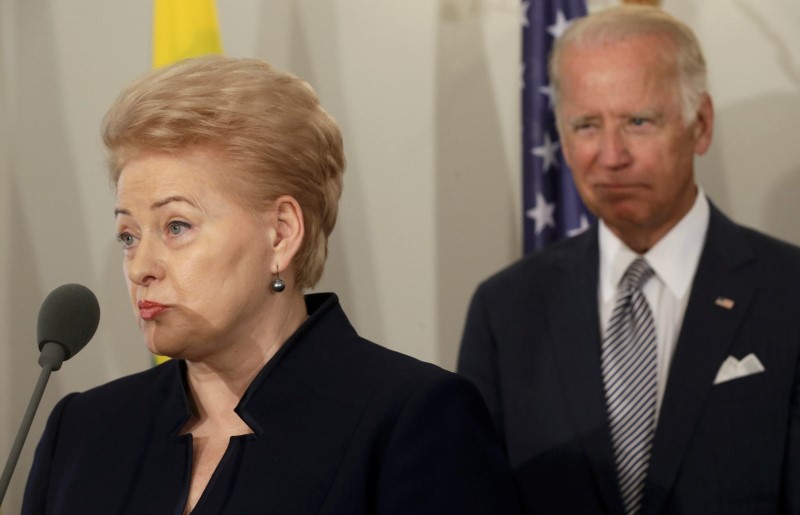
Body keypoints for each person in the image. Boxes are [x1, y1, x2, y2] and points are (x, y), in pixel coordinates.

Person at [22, 55, 519, 515]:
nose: (140, 267)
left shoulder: (413, 422)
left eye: (176, 227)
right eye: (128, 236)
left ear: (280, 233)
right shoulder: (85, 430)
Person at [458, 5, 800, 515]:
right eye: (587, 125)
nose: (611, 155)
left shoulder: (790, 293)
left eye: (638, 121)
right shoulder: (505, 310)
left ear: (700, 124)